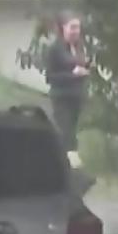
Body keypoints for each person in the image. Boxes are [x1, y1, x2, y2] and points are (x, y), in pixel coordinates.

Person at [45, 10, 92, 157]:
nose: (75, 31)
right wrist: (73, 75)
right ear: (63, 28)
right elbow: (50, 77)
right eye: (72, 27)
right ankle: (65, 163)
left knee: (74, 133)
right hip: (62, 97)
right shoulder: (55, 49)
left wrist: (88, 66)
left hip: (76, 97)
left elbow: (80, 66)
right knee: (65, 133)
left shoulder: (78, 48)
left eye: (77, 27)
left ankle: (72, 164)